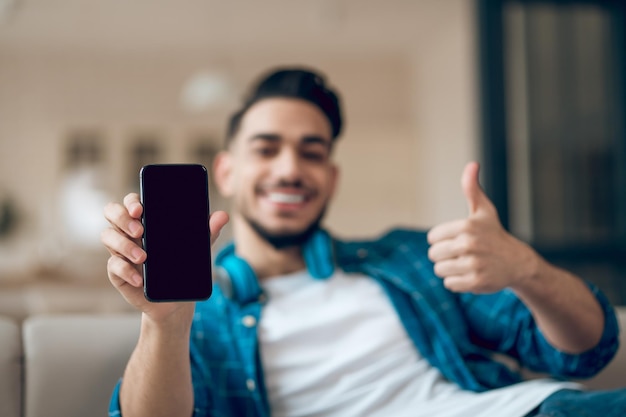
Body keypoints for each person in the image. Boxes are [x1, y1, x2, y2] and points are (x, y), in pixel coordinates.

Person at [101, 67, 624, 417]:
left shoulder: (409, 258)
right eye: (267, 149)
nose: (290, 169)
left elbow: (587, 351)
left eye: (311, 152)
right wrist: (163, 325)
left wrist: (527, 269)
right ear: (229, 172)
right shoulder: (200, 311)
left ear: (331, 176)